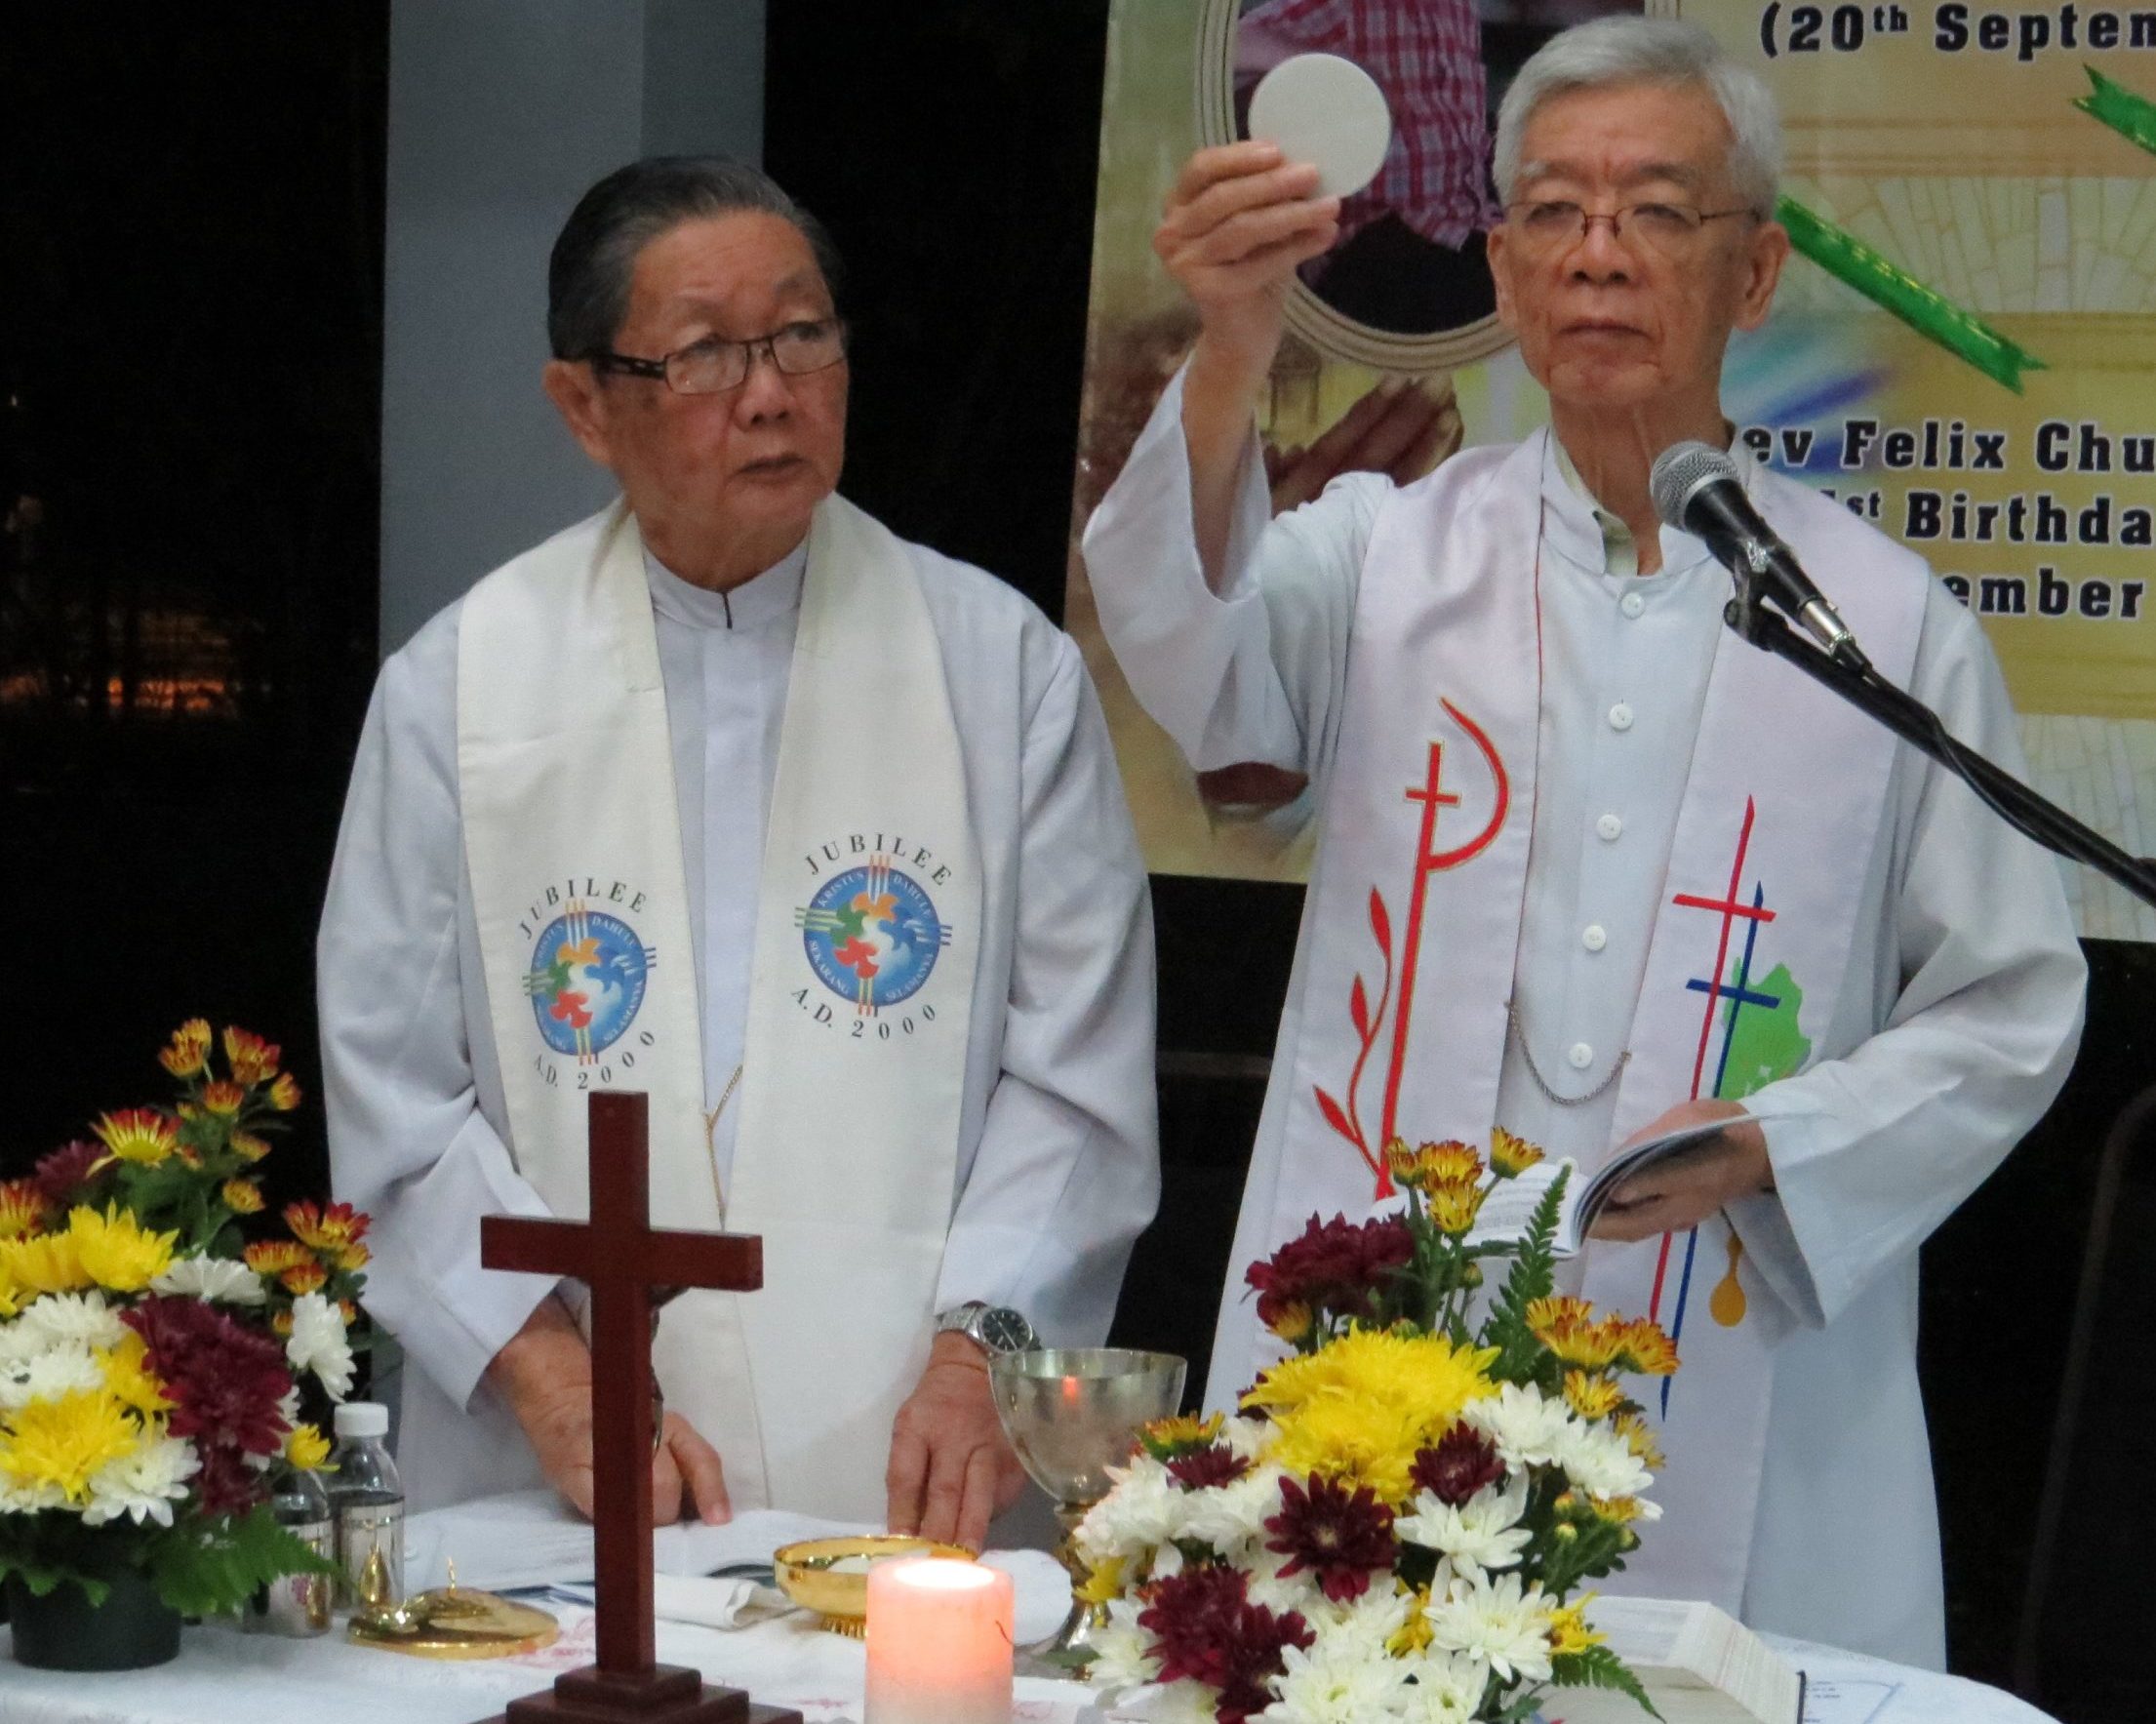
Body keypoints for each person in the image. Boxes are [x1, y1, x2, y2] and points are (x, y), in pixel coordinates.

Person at [1080, 17, 2084, 1667]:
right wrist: (1233, 348)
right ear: (1498, 260)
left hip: (1721, 1315)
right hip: (1400, 1314)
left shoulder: (1878, 624)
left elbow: (2012, 1000)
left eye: (1654, 214)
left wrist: (1787, 1141)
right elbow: (1198, 663)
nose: (1596, 256)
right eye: (1552, 212)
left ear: (1752, 274)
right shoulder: (1387, 554)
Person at [320, 156, 1159, 1550]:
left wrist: (982, 1356)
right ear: (583, 405)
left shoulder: (994, 669)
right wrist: (544, 1370)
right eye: (707, 354)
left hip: (912, 1446)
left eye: (802, 336)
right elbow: (393, 1091)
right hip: (564, 1464)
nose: (770, 393)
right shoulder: (460, 685)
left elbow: (1075, 1075)